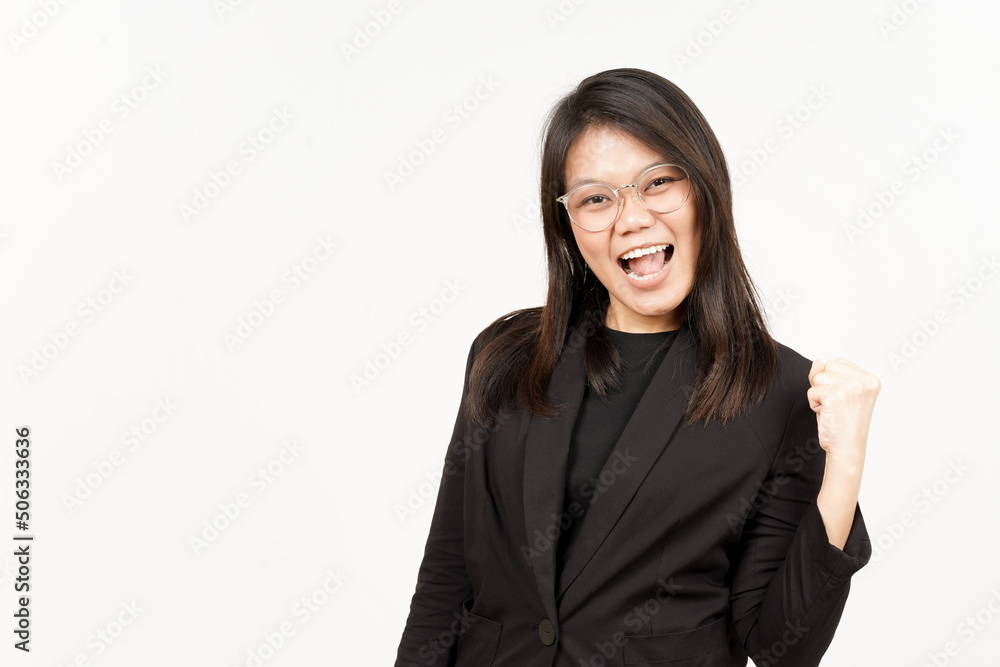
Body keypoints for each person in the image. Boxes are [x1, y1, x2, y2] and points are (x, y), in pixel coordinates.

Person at [394, 68, 880, 667]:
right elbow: (446, 579)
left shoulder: (778, 393)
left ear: (703, 189)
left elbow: (783, 644)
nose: (631, 218)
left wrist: (847, 461)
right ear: (569, 225)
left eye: (658, 183)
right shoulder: (505, 354)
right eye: (596, 198)